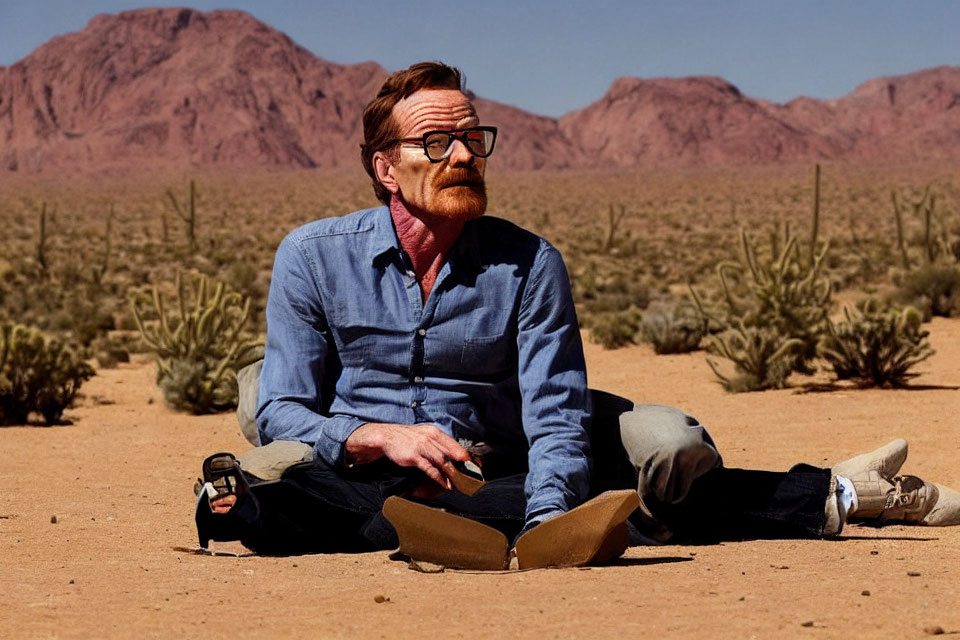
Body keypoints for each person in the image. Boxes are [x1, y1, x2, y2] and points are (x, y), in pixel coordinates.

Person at [195, 62, 960, 568]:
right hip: (362, 456)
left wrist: (546, 516)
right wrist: (374, 434)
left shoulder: (529, 262)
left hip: (501, 451)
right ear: (385, 168)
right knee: (265, 488)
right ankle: (841, 491)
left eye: (472, 137)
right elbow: (288, 409)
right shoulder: (312, 255)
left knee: (663, 461)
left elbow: (556, 413)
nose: (464, 153)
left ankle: (845, 494)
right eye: (437, 141)